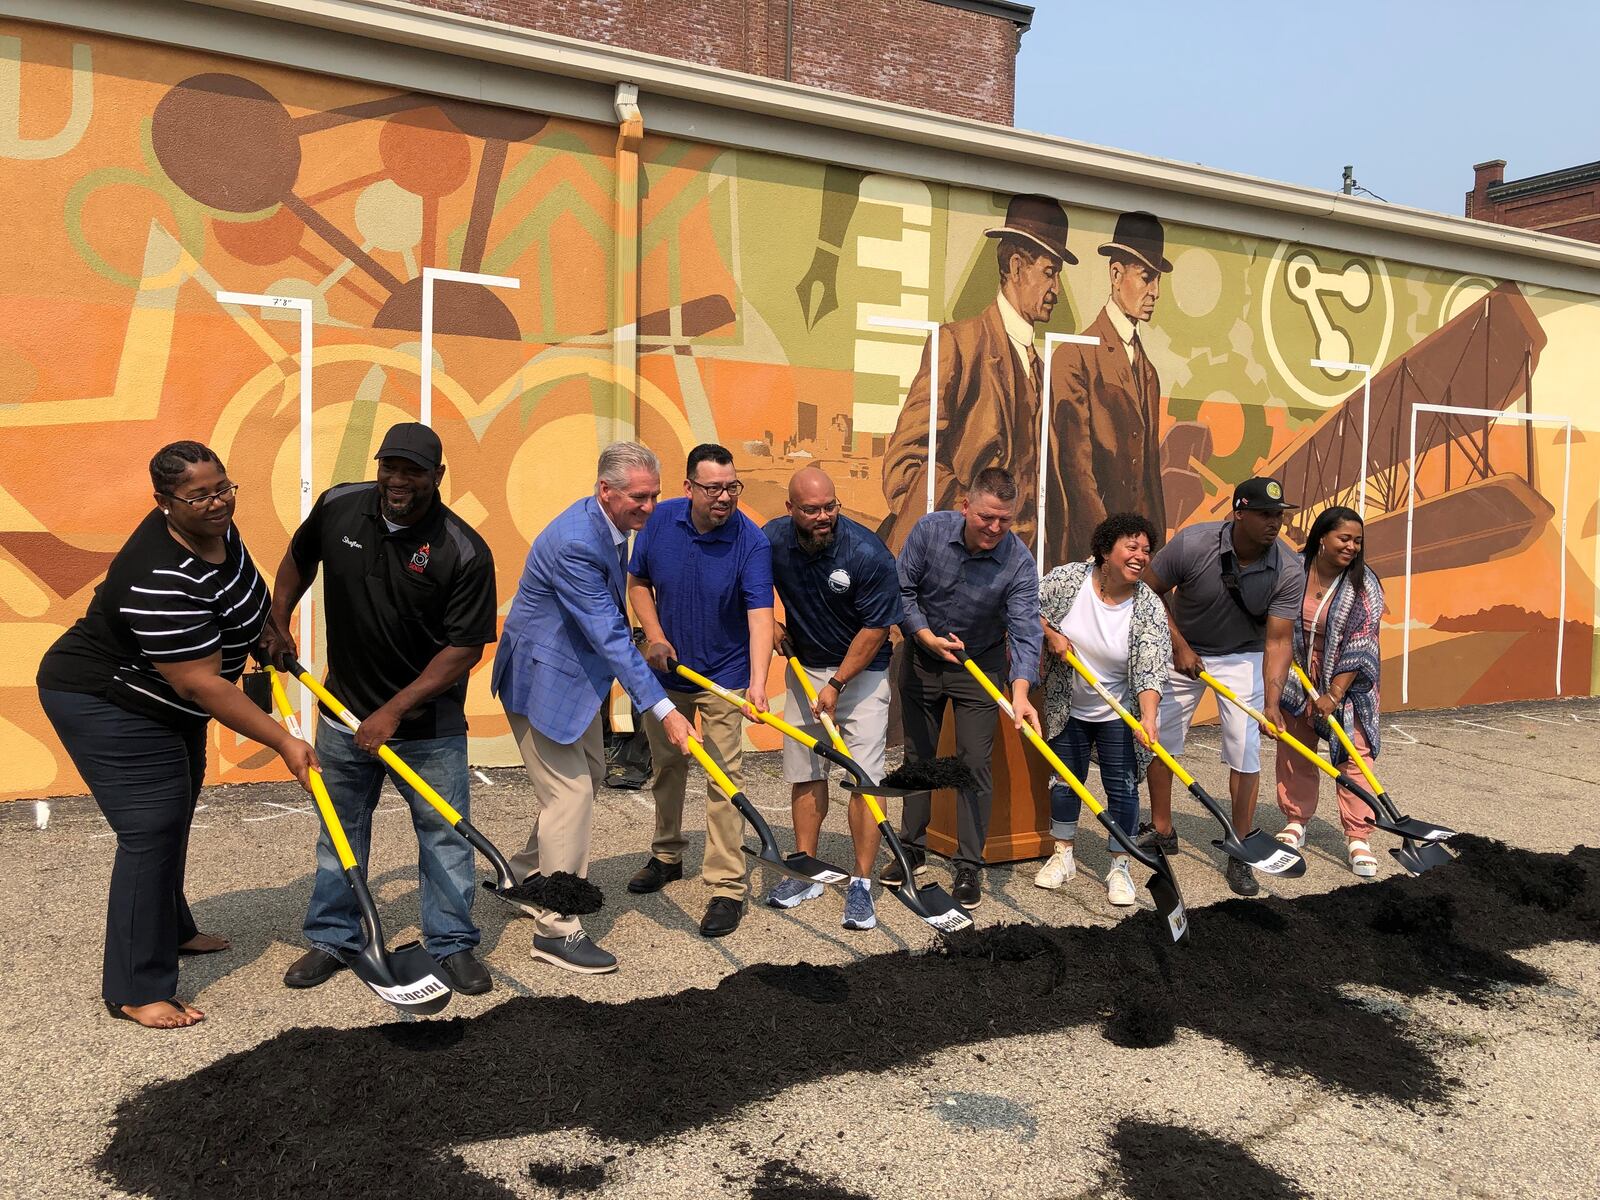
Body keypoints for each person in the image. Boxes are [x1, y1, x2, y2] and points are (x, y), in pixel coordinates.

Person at [36, 441, 317, 1029]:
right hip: (106, 700)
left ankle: (172, 928)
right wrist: (284, 741)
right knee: (150, 828)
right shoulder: (157, 575)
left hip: (162, 697)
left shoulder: (215, 527)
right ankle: (137, 988)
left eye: (223, 488)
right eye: (199, 496)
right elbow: (202, 685)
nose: (217, 503)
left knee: (176, 806)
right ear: (165, 502)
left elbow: (238, 586)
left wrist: (268, 630)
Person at [265, 423, 498, 995]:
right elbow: (298, 559)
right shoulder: (340, 505)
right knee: (339, 830)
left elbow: (465, 647)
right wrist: (278, 619)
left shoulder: (462, 549)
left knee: (443, 834)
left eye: (413, 471)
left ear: (437, 476)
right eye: (389, 467)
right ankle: (333, 937)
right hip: (343, 712)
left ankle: (451, 944)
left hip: (428, 727)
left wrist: (394, 710)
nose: (398, 480)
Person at [491, 443, 694, 973]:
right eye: (639, 497)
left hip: (572, 681)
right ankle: (556, 929)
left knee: (591, 775)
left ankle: (522, 877)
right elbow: (605, 632)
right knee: (571, 794)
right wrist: (664, 710)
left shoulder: (609, 524)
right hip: (541, 682)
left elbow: (603, 624)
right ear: (606, 490)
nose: (649, 507)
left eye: (655, 496)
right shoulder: (577, 542)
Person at [625, 443, 775, 938]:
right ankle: (666, 856)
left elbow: (759, 617)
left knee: (723, 777)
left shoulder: (750, 542)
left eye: (732, 487)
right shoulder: (661, 521)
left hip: (723, 679)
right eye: (714, 488)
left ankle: (727, 887)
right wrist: (654, 636)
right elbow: (638, 583)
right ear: (689, 487)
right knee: (666, 769)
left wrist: (756, 684)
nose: (725, 497)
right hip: (666, 678)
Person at [880, 194, 1076, 554]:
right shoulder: (958, 344)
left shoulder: (1042, 370)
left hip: (1023, 574)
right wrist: (971, 528)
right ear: (1016, 267)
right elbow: (904, 466)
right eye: (1050, 273)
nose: (1057, 291)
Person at [1140, 477, 1304, 896]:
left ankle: (1241, 845)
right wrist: (1178, 646)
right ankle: (1162, 830)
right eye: (1266, 515)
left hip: (1242, 654)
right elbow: (1148, 592)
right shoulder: (1193, 544)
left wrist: (1271, 703)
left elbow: (1279, 639)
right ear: (1239, 513)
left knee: (1244, 747)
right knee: (1161, 740)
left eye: (1280, 516)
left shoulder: (1288, 567)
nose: (1275, 524)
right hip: (1185, 646)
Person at [889, 466, 1043, 909]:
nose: (995, 528)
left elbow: (1026, 631)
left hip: (981, 665)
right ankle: (911, 848)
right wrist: (921, 634)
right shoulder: (929, 531)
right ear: (965, 507)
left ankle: (968, 865)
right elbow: (901, 591)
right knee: (919, 755)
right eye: (986, 517)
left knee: (974, 761)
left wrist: (1018, 693)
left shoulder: (1018, 560)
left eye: (1005, 519)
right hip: (922, 655)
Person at [763, 466, 903, 930]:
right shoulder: (774, 540)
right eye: (811, 509)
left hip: (861, 676)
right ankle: (806, 869)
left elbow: (877, 627)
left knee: (864, 777)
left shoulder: (866, 553)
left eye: (830, 507)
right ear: (790, 509)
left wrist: (838, 683)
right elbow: (753, 589)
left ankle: (861, 882)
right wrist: (773, 625)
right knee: (805, 772)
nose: (823, 517)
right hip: (806, 670)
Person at [1034, 512, 1170, 907]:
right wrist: (1051, 634)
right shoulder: (1068, 581)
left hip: (1119, 711)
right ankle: (1063, 855)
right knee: (1065, 781)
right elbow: (1027, 609)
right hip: (1069, 703)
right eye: (1131, 546)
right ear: (1105, 551)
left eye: (1146, 550)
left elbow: (1149, 669)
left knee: (1123, 788)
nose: (1140, 556)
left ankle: (1120, 865)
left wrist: (1147, 718)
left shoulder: (1148, 607)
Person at [1045, 210, 1174, 564]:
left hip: (1137, 558)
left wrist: (1153, 550)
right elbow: (1075, 468)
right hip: (1090, 554)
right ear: (1116, 274)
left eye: (1158, 279)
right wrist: (1106, 549)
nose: (1155, 292)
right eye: (1147, 277)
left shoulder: (1147, 369)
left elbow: (1149, 476)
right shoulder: (1074, 355)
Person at [1274, 506, 1385, 877]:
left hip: (1347, 680)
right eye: (1344, 538)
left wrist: (1333, 694)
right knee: (1295, 747)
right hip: (1297, 672)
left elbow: (1361, 640)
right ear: (1322, 538)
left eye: (1358, 541)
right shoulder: (1294, 570)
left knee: (1354, 756)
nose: (1352, 547)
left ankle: (1358, 836)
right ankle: (1296, 820)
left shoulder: (1363, 583)